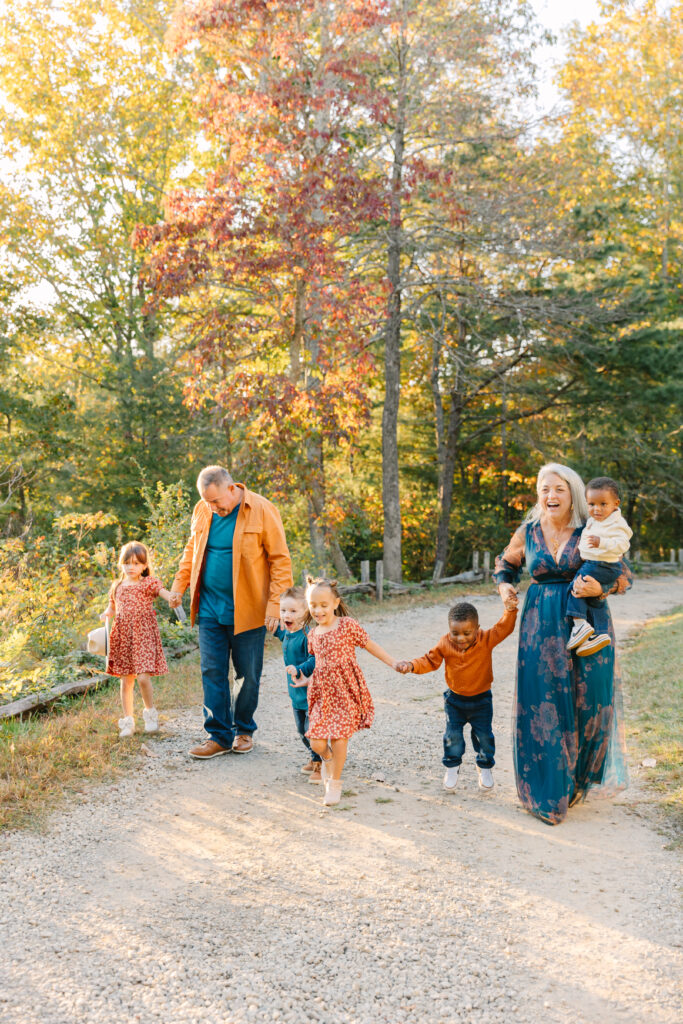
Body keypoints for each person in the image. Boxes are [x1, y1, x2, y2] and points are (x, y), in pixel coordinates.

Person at [494, 462, 630, 826]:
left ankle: (577, 780)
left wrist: (601, 586)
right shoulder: (529, 531)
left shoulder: (594, 528)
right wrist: (505, 585)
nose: (551, 495)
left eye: (559, 489)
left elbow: (624, 576)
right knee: (545, 706)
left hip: (591, 624)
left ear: (573, 494)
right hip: (540, 626)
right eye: (544, 489)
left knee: (591, 704)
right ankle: (548, 791)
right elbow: (506, 565)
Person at [169, 466, 293, 758]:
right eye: (207, 502)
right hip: (210, 606)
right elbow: (192, 550)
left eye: (215, 501)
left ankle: (244, 729)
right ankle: (218, 736)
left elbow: (280, 561)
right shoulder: (203, 510)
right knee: (212, 671)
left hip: (249, 609)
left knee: (247, 674)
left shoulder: (262, 509)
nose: (212, 507)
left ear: (231, 488)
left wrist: (276, 605)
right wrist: (180, 584)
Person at [396, 599, 518, 793]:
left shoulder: (486, 639)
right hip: (455, 700)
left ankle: (484, 767)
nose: (460, 638)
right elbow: (429, 661)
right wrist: (411, 666)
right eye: (455, 633)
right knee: (452, 737)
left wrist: (510, 610)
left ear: (477, 628)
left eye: (467, 633)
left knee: (484, 736)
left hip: (482, 700)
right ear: (449, 630)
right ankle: (452, 767)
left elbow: (504, 628)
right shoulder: (445, 643)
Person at [305, 577, 399, 807]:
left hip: (345, 691)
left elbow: (370, 645)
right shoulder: (312, 634)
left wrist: (393, 662)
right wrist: (305, 680)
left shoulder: (347, 625)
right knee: (317, 742)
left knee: (339, 739)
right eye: (313, 605)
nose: (318, 610)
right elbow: (318, 665)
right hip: (322, 694)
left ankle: (334, 784)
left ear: (335, 603)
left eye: (323, 605)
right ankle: (327, 760)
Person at [102, 541, 174, 738]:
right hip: (123, 636)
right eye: (127, 563)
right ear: (121, 564)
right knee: (126, 681)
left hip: (143, 635)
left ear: (144, 565)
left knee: (142, 677)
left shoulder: (148, 583)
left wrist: (172, 598)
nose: (131, 567)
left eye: (136, 563)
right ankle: (128, 721)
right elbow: (112, 606)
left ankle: (150, 714)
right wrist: (107, 613)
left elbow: (162, 592)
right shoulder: (117, 585)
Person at [566, 476, 632, 656]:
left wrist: (602, 542)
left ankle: (579, 626)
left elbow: (623, 545)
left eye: (603, 504)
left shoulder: (617, 523)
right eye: (592, 504)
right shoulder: (595, 520)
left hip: (603, 565)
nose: (597, 509)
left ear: (615, 503)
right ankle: (596, 635)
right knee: (591, 599)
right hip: (596, 563)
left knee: (575, 588)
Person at [273, 586, 321, 783]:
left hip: (311, 692)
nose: (287, 614)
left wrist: (298, 669)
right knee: (302, 730)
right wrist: (269, 624)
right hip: (296, 695)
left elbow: (314, 659)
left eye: (293, 611)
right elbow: (281, 634)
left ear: (306, 612)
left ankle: (321, 762)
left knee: (313, 730)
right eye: (283, 610)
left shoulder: (308, 634)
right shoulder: (289, 632)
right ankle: (314, 756)